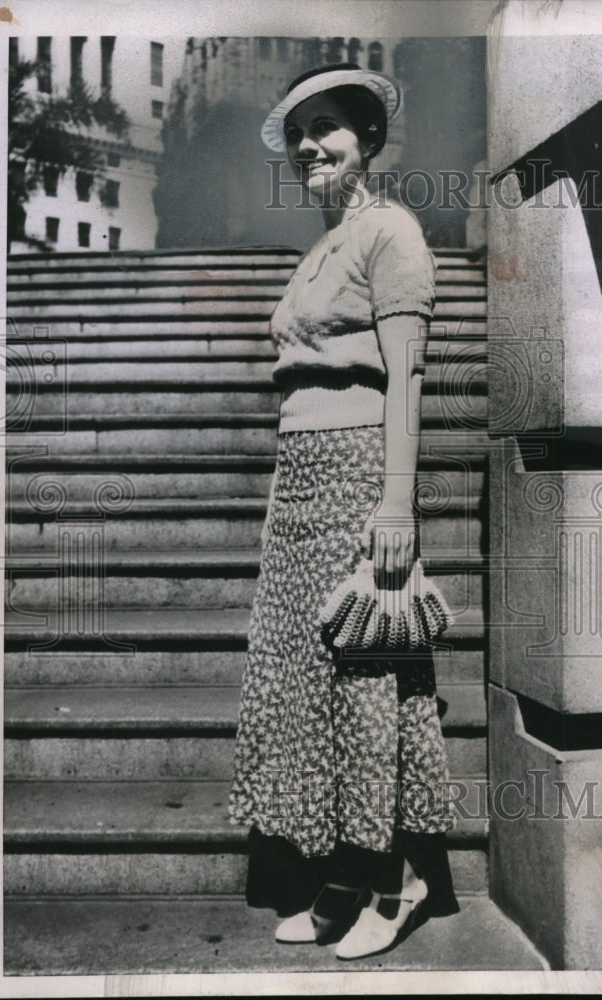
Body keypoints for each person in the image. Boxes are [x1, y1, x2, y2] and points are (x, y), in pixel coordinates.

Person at [227, 63, 459, 961]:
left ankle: (391, 878)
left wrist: (395, 505)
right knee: (306, 681)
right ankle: (336, 871)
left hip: (361, 469)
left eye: (325, 128)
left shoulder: (391, 232)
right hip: (300, 481)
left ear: (366, 138)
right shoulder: (320, 247)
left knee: (363, 679)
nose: (307, 146)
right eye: (296, 134)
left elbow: (408, 378)